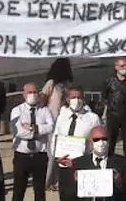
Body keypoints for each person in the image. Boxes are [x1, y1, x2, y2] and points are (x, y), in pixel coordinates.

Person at [52, 85, 102, 201]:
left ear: (83, 99)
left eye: (79, 97)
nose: (76, 100)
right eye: (73, 97)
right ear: (67, 99)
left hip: (83, 166)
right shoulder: (61, 118)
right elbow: (55, 138)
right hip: (63, 165)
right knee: (65, 196)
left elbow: (100, 139)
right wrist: (56, 157)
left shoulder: (92, 118)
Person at [10, 83, 55, 201]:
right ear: (24, 95)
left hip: (40, 155)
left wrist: (32, 127)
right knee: (18, 190)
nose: (33, 95)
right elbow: (18, 132)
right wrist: (40, 130)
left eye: (35, 92)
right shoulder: (17, 111)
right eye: (30, 92)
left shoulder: (45, 110)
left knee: (40, 192)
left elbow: (51, 127)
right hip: (22, 156)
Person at [73, 126, 126, 201]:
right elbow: (69, 195)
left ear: (109, 141)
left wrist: (119, 183)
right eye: (96, 139)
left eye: (104, 139)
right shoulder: (79, 163)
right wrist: (76, 183)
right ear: (90, 142)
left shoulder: (122, 163)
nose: (101, 142)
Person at [40, 57, 73, 190]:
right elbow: (43, 98)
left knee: (62, 152)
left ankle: (59, 180)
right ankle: (48, 182)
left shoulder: (66, 85)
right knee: (51, 154)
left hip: (64, 122)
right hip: (51, 123)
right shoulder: (51, 83)